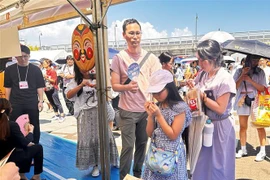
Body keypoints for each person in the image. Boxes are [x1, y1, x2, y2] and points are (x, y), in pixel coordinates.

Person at [110, 18, 161, 179]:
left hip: (146, 111)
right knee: (128, 147)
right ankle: (124, 176)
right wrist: (127, 87)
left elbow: (158, 82)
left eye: (137, 33)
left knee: (142, 145)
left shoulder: (151, 58)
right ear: (124, 35)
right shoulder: (119, 58)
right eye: (131, 33)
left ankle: (138, 175)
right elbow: (114, 86)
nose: (135, 36)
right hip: (127, 111)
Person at [187, 39, 236, 180]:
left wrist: (204, 98)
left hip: (220, 126)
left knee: (219, 164)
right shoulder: (202, 74)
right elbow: (195, 91)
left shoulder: (225, 78)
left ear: (213, 59)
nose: (200, 64)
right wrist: (192, 87)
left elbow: (221, 108)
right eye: (198, 59)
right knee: (201, 161)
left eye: (203, 60)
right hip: (203, 124)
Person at [66, 63, 118, 177]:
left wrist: (100, 87)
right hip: (85, 114)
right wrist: (80, 85)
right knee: (90, 139)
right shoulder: (76, 80)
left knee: (107, 135)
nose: (85, 68)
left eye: (88, 65)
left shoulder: (100, 77)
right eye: (82, 65)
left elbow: (112, 93)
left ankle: (113, 159)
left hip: (101, 112)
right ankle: (95, 165)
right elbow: (68, 95)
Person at [142, 69, 192, 179]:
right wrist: (150, 115)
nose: (156, 95)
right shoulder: (158, 106)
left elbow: (173, 135)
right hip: (155, 153)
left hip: (171, 156)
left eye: (159, 91)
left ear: (169, 88)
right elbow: (150, 133)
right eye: (154, 92)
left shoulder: (179, 108)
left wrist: (158, 116)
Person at [4, 45, 45, 144]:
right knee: (14, 125)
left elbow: (40, 86)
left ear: (29, 56)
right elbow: (8, 87)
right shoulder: (10, 70)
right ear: (16, 57)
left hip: (31, 101)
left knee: (34, 123)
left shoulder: (35, 69)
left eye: (25, 56)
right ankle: (17, 145)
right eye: (20, 56)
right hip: (15, 102)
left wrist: (40, 101)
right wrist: (7, 103)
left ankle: (34, 144)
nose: (23, 59)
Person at [0, 98, 43, 180]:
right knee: (37, 147)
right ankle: (36, 176)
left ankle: (22, 175)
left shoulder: (9, 125)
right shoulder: (12, 125)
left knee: (25, 147)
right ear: (10, 110)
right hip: (8, 159)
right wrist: (30, 132)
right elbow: (25, 142)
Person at [234, 55, 267, 161]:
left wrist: (250, 80)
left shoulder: (260, 72)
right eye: (253, 60)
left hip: (256, 99)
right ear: (248, 60)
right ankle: (243, 149)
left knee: (260, 126)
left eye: (257, 60)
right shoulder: (239, 71)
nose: (256, 62)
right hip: (242, 99)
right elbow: (234, 86)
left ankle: (262, 151)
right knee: (243, 126)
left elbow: (263, 88)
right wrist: (243, 75)